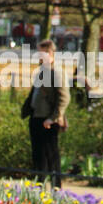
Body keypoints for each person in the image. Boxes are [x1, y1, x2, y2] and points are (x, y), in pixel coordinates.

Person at [22, 39, 69, 187]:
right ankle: (39, 186)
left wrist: (53, 118)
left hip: (47, 120)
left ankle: (56, 188)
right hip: (37, 117)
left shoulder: (57, 72)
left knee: (51, 156)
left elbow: (64, 98)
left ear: (49, 53)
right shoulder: (42, 71)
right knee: (38, 156)